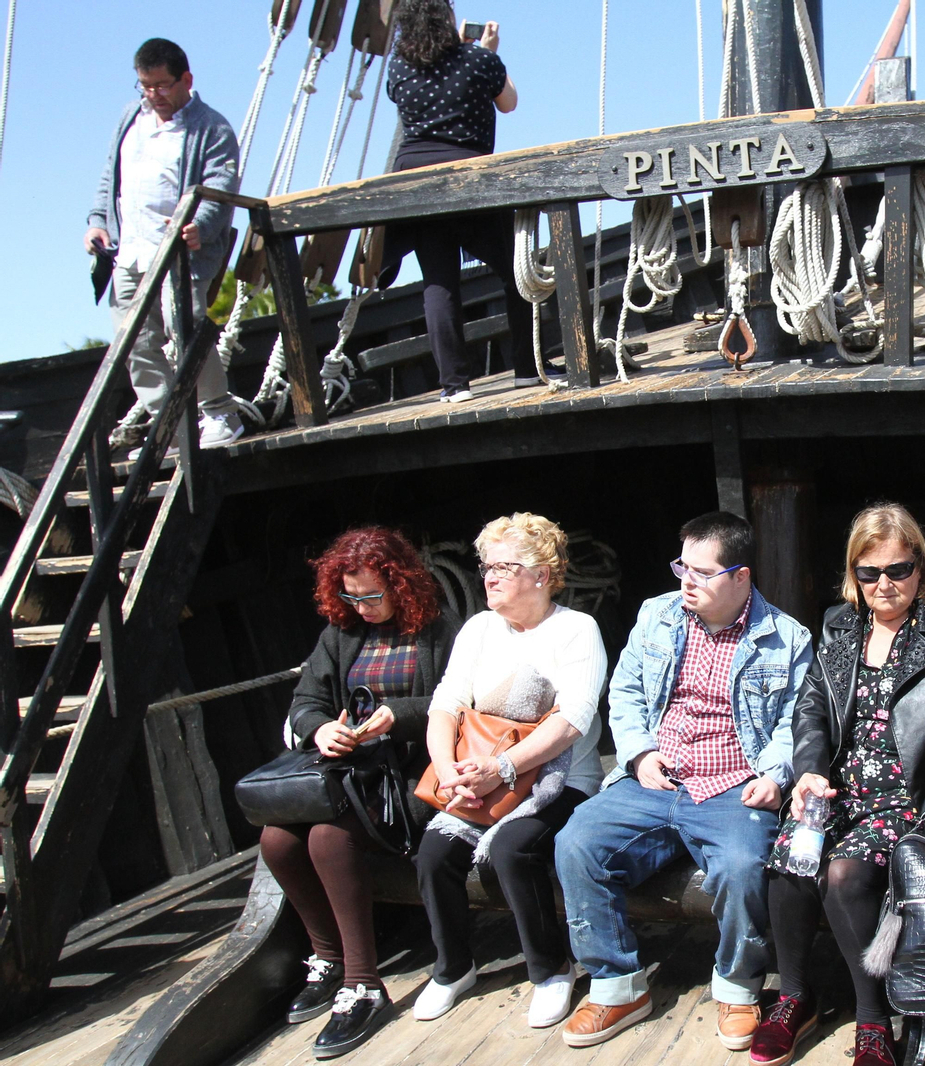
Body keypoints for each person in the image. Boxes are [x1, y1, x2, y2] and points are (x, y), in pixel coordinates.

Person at [755, 504, 925, 1066]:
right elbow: (813, 709)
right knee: (789, 864)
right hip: (842, 788)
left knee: (844, 875)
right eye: (869, 573)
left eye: (897, 570)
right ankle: (796, 997)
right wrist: (809, 769)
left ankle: (875, 1021)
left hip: (913, 793)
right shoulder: (839, 625)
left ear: (920, 569)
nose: (884, 584)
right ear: (854, 575)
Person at [553, 512, 813, 1051]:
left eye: (702, 572)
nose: (686, 581)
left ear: (741, 576)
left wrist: (775, 775)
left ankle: (738, 987)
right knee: (576, 843)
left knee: (744, 867)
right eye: (681, 567)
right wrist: (639, 753)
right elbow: (623, 694)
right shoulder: (657, 616)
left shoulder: (786, 639)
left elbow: (797, 720)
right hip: (655, 775)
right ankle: (617, 984)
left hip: (733, 784)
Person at [260, 527, 460, 1060]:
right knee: (276, 839)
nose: (362, 606)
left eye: (373, 595)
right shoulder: (339, 634)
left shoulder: (440, 632)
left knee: (328, 837)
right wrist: (321, 728)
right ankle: (326, 959)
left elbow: (462, 702)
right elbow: (305, 701)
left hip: (413, 777)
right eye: (351, 595)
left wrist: (400, 718)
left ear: (401, 584)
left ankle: (364, 985)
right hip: (349, 773)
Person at [411, 513, 607, 1028]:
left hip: (560, 781)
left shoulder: (576, 630)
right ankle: (453, 968)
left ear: (542, 575)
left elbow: (571, 721)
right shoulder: (478, 629)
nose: (489, 577)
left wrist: (501, 767)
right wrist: (446, 769)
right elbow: (445, 706)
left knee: (511, 849)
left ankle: (551, 969)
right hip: (476, 774)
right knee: (433, 855)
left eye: (504, 566)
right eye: (485, 566)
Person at [85, 38, 245, 454]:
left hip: (179, 252)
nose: (153, 95)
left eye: (161, 86)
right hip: (131, 250)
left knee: (185, 328)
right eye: (145, 86)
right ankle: (168, 425)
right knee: (133, 341)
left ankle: (219, 412)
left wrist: (201, 225)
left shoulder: (212, 127)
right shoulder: (129, 119)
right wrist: (98, 222)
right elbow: (111, 176)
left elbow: (221, 186)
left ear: (185, 80)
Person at [385, 0, 538, 402]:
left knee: (439, 283)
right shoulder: (478, 59)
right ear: (447, 18)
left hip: (417, 183)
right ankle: (527, 369)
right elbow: (509, 102)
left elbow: (409, 100)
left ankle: (454, 386)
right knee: (516, 271)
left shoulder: (399, 66)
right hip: (471, 179)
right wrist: (487, 52)